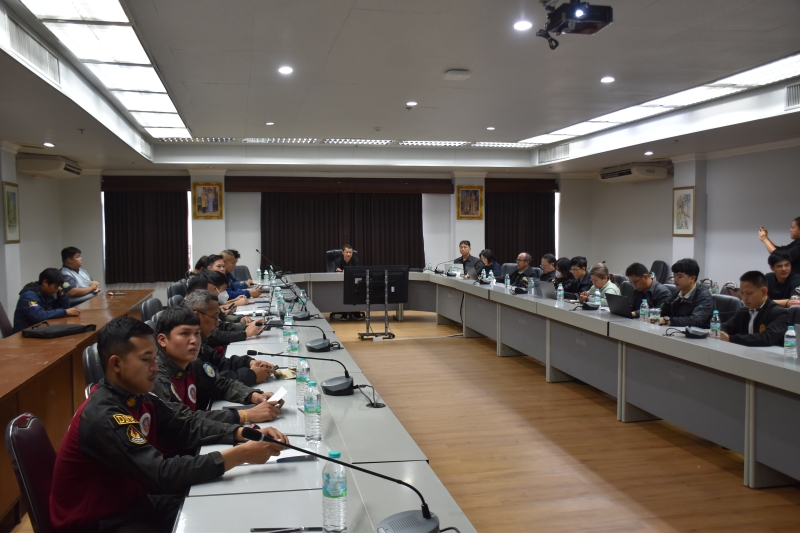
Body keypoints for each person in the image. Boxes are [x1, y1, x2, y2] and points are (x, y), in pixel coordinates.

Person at [49, 316, 287, 532]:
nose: (155, 367)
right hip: (100, 522)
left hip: (133, 504)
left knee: (224, 508)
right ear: (116, 364)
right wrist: (240, 455)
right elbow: (161, 473)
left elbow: (185, 426)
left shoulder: (137, 395)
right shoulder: (105, 416)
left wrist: (243, 433)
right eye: (146, 359)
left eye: (154, 357)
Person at [153, 306, 283, 425]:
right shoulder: (156, 378)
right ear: (163, 340)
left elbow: (221, 385)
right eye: (185, 334)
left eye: (197, 333)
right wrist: (245, 415)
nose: (194, 340)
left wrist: (255, 396)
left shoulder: (191, 363)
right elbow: (184, 421)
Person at [183, 288, 275, 386]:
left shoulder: (199, 339)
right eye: (214, 317)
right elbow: (212, 380)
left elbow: (218, 362)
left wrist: (248, 362)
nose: (217, 323)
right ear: (197, 315)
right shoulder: (186, 346)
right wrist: (251, 375)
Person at [720, 271, 789, 347]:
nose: (744, 298)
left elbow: (767, 338)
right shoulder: (743, 311)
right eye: (741, 293)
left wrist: (731, 338)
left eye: (749, 293)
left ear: (764, 292)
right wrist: (717, 332)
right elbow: (726, 327)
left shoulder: (779, 313)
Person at [13, 268, 79, 333]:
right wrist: (64, 312)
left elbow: (65, 307)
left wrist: (61, 293)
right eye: (55, 287)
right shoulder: (29, 296)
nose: (56, 290)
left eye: (59, 287)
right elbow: (38, 315)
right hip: (24, 334)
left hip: (40, 330)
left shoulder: (46, 293)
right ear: (45, 282)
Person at [659, 258, 714, 328]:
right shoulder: (677, 294)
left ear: (692, 278)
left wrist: (667, 320)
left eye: (679, 276)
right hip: (677, 331)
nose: (675, 279)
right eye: (674, 276)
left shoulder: (704, 297)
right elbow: (663, 311)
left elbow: (695, 320)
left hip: (699, 333)